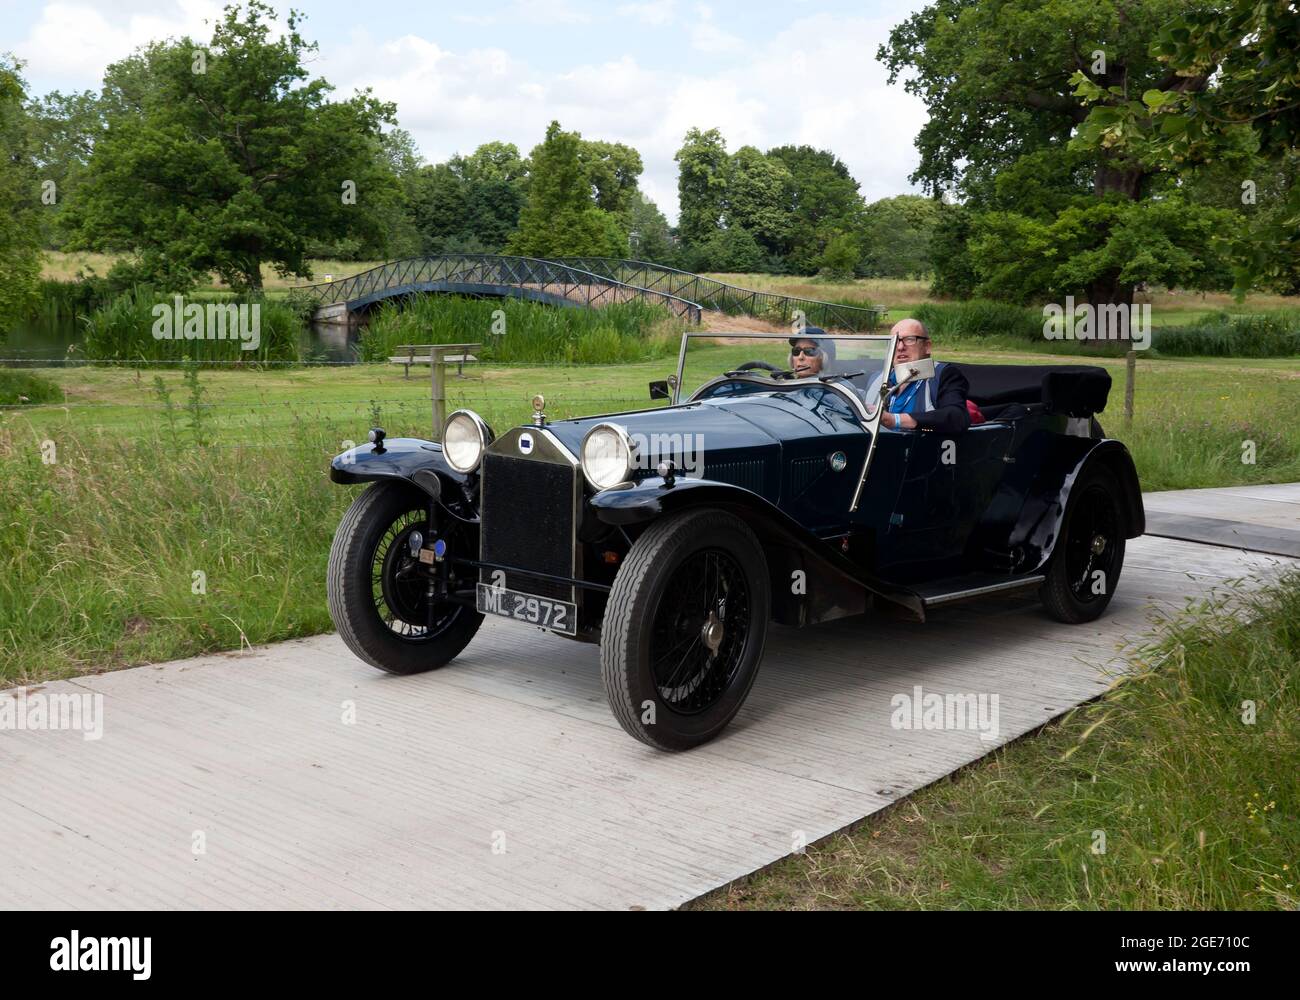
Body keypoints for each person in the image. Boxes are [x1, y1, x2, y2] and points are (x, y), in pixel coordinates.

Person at [869, 319, 970, 433]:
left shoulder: (943, 374)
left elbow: (957, 417)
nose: (900, 347)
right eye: (895, 341)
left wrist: (895, 420)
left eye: (909, 339)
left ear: (927, 346)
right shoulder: (877, 378)